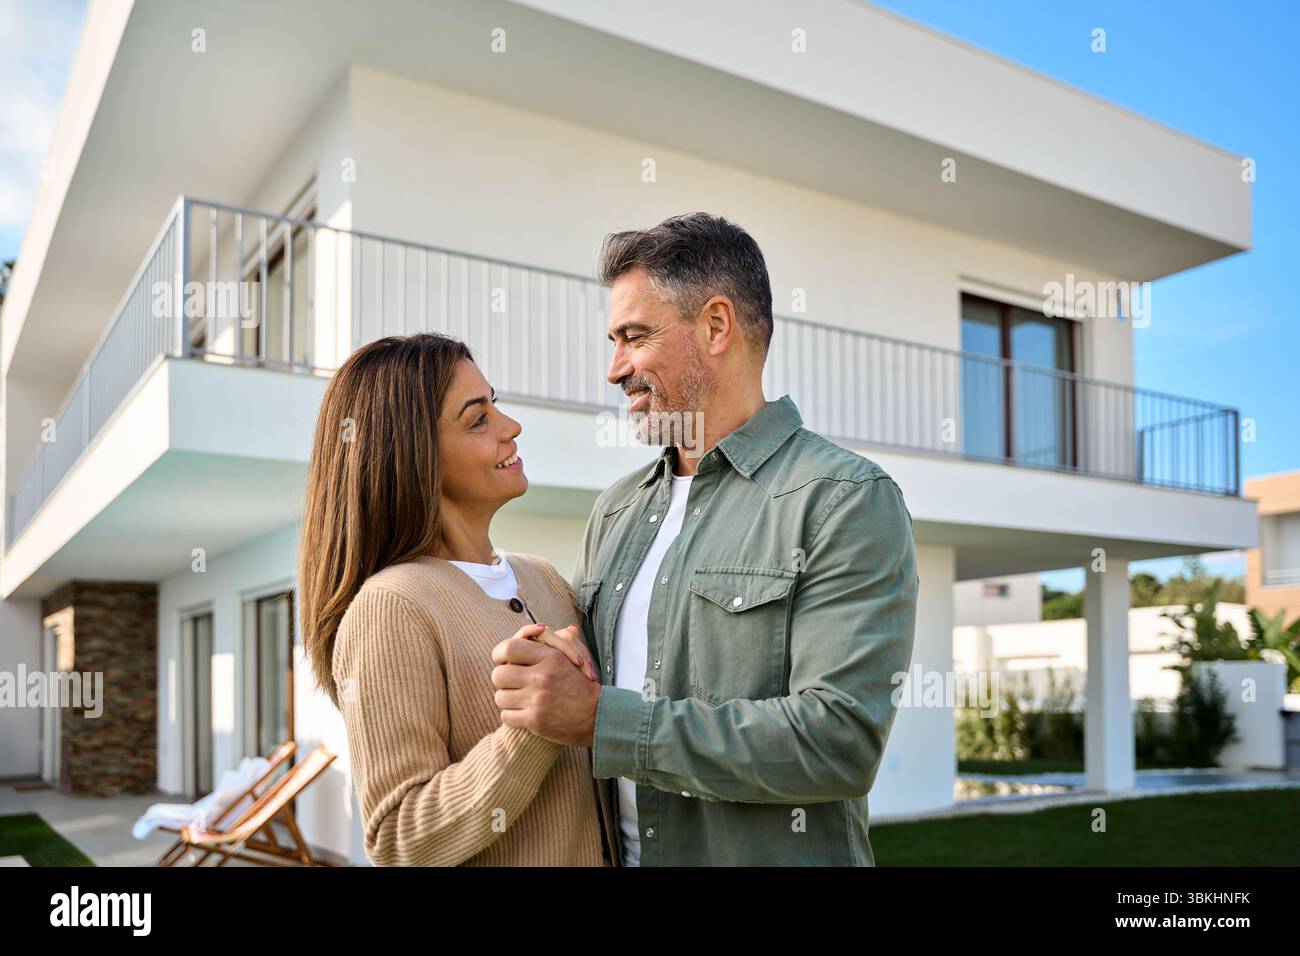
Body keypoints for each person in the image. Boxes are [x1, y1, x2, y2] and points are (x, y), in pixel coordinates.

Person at [491, 212, 919, 865]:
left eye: (634, 336)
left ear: (716, 325)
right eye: (613, 340)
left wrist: (603, 720)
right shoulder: (617, 510)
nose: (614, 369)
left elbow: (838, 743)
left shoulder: (842, 498)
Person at [297, 333, 616, 866]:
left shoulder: (543, 579)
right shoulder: (392, 607)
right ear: (414, 454)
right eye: (478, 419)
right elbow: (399, 840)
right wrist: (534, 727)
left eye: (496, 404)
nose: (511, 428)